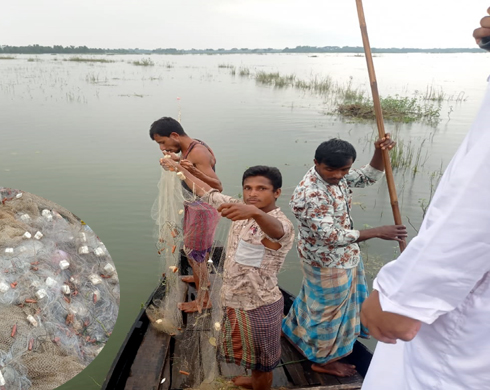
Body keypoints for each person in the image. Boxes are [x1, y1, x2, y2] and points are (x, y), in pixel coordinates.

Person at [360, 11, 490, 389]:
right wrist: (371, 233)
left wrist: (408, 294)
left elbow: (476, 207)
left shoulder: (342, 182)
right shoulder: (307, 192)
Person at [160, 158, 294, 390]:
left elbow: (277, 231)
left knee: (263, 364)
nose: (252, 193)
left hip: (259, 306)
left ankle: (260, 384)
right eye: (248, 188)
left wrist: (253, 212)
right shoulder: (238, 209)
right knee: (250, 355)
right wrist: (180, 169)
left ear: (277, 193)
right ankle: (253, 380)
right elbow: (207, 192)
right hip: (234, 301)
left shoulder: (280, 224)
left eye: (261, 189)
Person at [281, 137, 407, 377]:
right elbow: (330, 236)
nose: (339, 175)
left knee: (313, 301)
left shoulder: (335, 176)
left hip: (344, 255)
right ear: (316, 163)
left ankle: (292, 331)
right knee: (329, 312)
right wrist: (378, 231)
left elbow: (368, 175)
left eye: (345, 169)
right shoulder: (310, 194)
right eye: (331, 169)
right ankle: (322, 360)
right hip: (326, 260)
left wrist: (379, 151)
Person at [150, 117, 222, 313]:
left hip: (203, 209)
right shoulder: (190, 148)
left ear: (175, 135)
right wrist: (177, 161)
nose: (162, 147)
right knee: (197, 251)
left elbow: (216, 186)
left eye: (162, 142)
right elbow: (192, 170)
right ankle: (200, 278)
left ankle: (203, 299)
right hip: (195, 206)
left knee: (194, 252)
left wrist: (179, 166)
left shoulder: (197, 152)